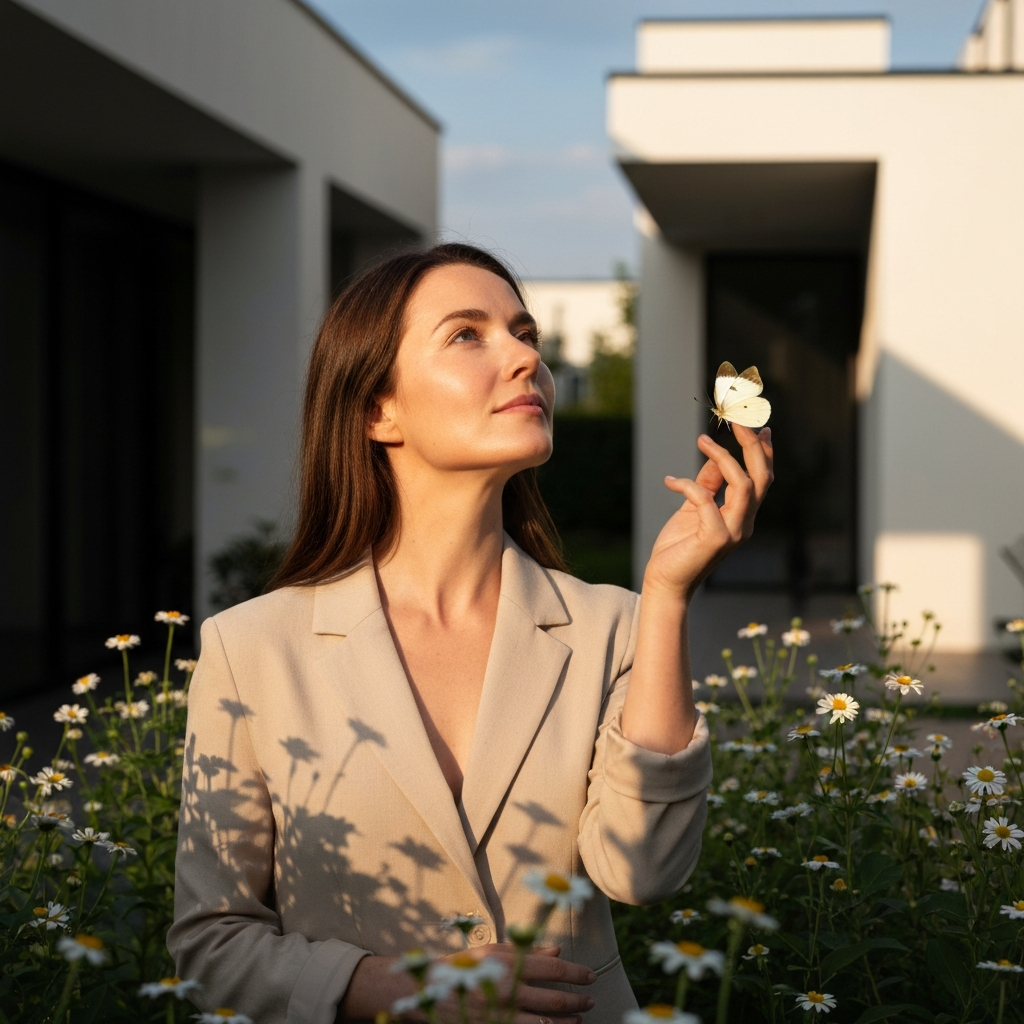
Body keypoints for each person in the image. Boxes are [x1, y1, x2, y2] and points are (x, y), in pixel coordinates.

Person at [168, 243, 773, 1024]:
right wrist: (395, 988)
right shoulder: (249, 650)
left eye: (527, 335)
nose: (525, 356)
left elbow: (641, 870)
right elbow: (212, 946)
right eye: (468, 334)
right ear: (377, 411)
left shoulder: (616, 624)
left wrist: (666, 597)